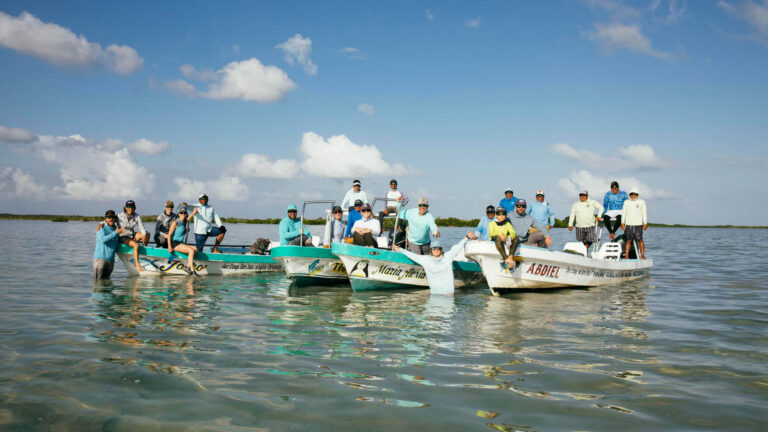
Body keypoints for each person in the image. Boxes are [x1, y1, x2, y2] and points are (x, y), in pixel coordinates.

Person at [392, 235, 471, 296]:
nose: (436, 250)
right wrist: (400, 249)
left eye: (438, 248)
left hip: (448, 293)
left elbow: (457, 247)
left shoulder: (448, 256)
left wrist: (466, 238)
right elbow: (413, 256)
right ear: (431, 250)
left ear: (441, 250)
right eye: (434, 248)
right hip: (434, 293)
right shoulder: (426, 260)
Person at [568, 189, 604, 254]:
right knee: (581, 242)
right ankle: (585, 254)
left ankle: (585, 252)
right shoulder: (575, 204)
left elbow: (601, 207)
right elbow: (572, 214)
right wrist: (570, 224)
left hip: (590, 225)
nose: (582, 196)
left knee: (591, 239)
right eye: (581, 195)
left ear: (587, 196)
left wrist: (599, 216)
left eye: (584, 195)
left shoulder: (592, 202)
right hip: (579, 226)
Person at [117, 200, 148, 273]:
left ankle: (144, 252)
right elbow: (109, 221)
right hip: (122, 236)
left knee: (147, 234)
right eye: (128, 207)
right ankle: (137, 264)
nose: (130, 209)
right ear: (125, 208)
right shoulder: (119, 216)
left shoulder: (137, 216)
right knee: (136, 245)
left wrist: (144, 235)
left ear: (134, 208)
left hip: (131, 235)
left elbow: (142, 228)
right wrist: (101, 224)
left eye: (132, 207)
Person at [93, 210, 126, 280]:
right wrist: (115, 233)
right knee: (98, 282)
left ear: (115, 219)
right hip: (100, 259)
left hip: (111, 260)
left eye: (112, 217)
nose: (111, 219)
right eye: (108, 217)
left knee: (107, 281)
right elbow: (102, 240)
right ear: (105, 219)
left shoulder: (116, 229)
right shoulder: (101, 228)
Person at [166, 207, 198, 274]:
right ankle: (192, 271)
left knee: (195, 249)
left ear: (186, 214)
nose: (183, 214)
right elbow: (169, 235)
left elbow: (188, 218)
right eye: (181, 213)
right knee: (191, 250)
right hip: (175, 243)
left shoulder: (184, 222)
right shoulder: (175, 223)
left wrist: (194, 212)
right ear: (179, 214)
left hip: (181, 243)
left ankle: (187, 267)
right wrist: (169, 246)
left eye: (184, 213)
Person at [621, 187, 648, 259]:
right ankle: (626, 255)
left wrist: (645, 223)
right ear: (629, 194)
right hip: (629, 224)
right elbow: (624, 213)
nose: (633, 195)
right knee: (628, 240)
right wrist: (622, 223)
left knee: (640, 239)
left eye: (635, 194)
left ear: (637, 194)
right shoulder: (626, 202)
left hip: (638, 224)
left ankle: (642, 255)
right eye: (631, 194)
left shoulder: (642, 202)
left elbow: (644, 213)